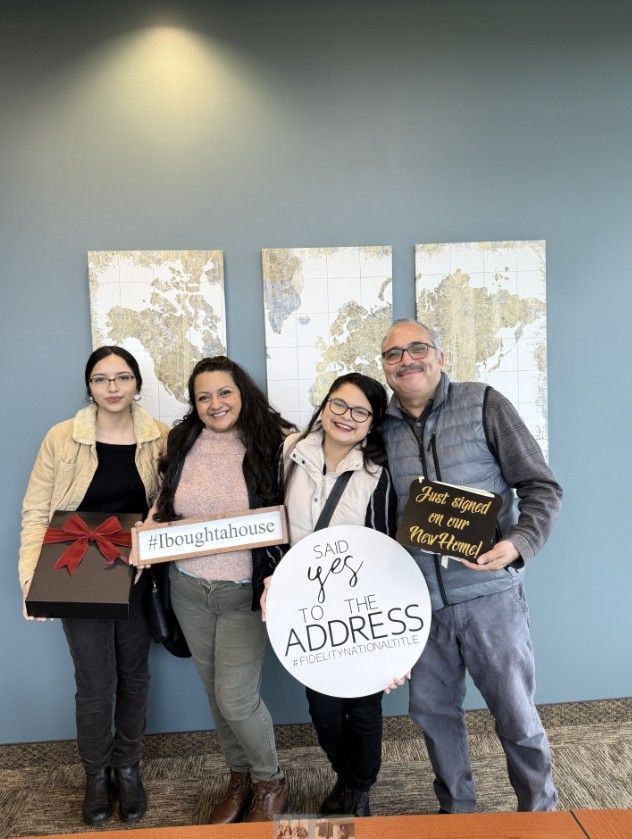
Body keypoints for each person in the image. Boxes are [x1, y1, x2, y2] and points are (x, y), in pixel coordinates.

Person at [380, 319, 563, 814]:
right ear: (385, 368)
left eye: (418, 348)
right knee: (433, 717)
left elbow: (541, 487)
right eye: (394, 354)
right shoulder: (379, 426)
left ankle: (540, 812)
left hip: (490, 599)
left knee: (516, 716)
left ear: (441, 356)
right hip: (421, 606)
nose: (407, 360)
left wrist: (519, 544)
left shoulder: (484, 403)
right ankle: (457, 813)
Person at [19, 346, 168, 826]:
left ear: (136, 384)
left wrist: (152, 529)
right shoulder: (61, 438)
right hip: (76, 570)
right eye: (101, 378)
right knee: (94, 682)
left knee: (136, 674)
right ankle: (96, 773)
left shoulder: (160, 437)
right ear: (88, 385)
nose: (112, 387)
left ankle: (128, 766)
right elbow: (36, 512)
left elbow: (169, 503)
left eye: (122, 377)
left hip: (136, 574)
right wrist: (31, 581)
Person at [146, 356, 294, 823]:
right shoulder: (182, 439)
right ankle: (239, 777)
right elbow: (165, 499)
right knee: (214, 693)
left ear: (242, 391)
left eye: (224, 392)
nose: (215, 404)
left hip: (245, 593)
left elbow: (296, 511)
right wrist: (150, 530)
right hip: (188, 587)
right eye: (203, 396)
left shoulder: (278, 442)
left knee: (236, 697)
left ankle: (269, 780)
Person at [262, 373, 398, 818]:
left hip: (357, 607)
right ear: (324, 406)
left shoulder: (379, 473)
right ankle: (347, 776)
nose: (346, 417)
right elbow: (273, 523)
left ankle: (358, 790)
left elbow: (386, 549)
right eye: (339, 405)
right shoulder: (290, 453)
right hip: (306, 606)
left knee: (363, 705)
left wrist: (395, 638)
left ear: (373, 422)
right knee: (321, 707)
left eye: (361, 411)